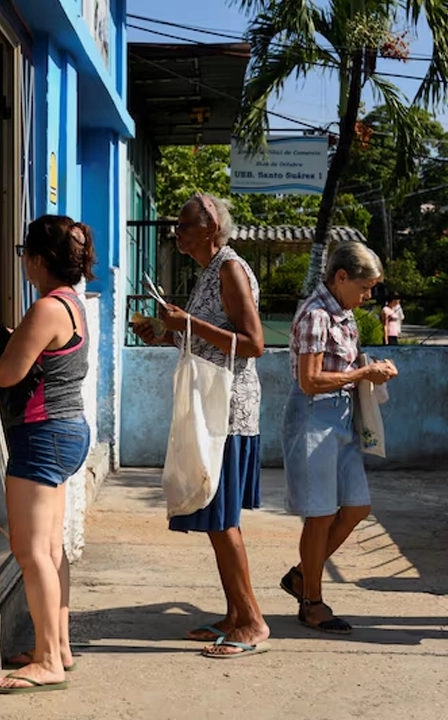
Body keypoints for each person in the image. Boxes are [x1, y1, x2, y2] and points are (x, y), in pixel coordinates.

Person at [133, 192, 271, 658]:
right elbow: (209, 346)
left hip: (228, 412)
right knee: (217, 518)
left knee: (222, 519)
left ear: (210, 228)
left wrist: (186, 322)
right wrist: (168, 332)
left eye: (184, 224)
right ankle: (235, 614)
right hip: (214, 405)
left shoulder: (230, 268)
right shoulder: (211, 272)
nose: (177, 232)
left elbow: (253, 344)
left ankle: (252, 621)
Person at [0, 215, 95, 694]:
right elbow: (26, 348)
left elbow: (6, 374)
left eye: (25, 253)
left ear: (37, 260)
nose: (22, 260)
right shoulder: (70, 305)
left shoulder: (45, 309)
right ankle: (57, 647)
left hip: (41, 437)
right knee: (51, 548)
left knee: (29, 550)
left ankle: (46, 661)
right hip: (66, 433)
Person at [281, 242, 398, 634]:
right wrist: (363, 375)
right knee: (320, 515)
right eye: (364, 288)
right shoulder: (316, 314)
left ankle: (302, 576)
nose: (367, 297)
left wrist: (368, 369)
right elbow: (309, 380)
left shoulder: (342, 314)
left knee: (356, 507)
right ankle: (311, 601)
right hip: (315, 416)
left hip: (341, 417)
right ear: (341, 277)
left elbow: (342, 365)